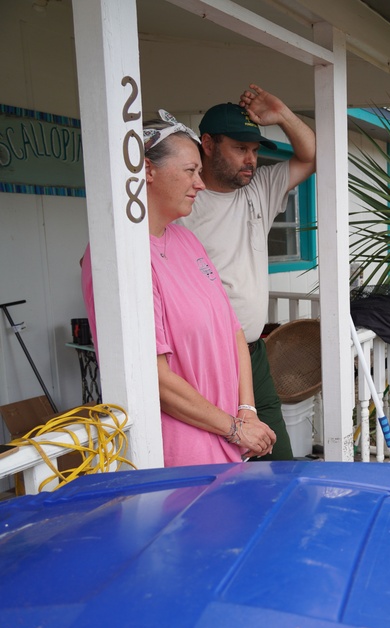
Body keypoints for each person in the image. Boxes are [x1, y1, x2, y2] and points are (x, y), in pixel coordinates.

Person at [81, 111, 276, 465]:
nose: (200, 184)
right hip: (184, 452)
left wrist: (246, 410)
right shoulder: (118, 256)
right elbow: (153, 377)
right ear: (148, 171)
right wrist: (234, 427)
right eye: (190, 171)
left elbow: (233, 330)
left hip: (229, 437)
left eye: (199, 172)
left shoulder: (185, 239)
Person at [178, 84, 317, 461]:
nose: (251, 160)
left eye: (255, 151)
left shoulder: (258, 190)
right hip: (207, 361)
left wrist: (283, 114)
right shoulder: (183, 203)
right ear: (207, 144)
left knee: (279, 462)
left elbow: (311, 155)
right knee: (222, 469)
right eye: (240, 148)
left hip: (253, 355)